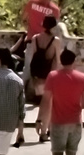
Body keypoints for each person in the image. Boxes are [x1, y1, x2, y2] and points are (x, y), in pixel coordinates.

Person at [27, 14, 66, 144]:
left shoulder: (35, 38)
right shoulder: (55, 41)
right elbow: (59, 61)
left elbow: (32, 57)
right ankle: (44, 131)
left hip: (37, 75)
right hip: (51, 75)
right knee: (49, 105)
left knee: (43, 102)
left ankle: (44, 125)